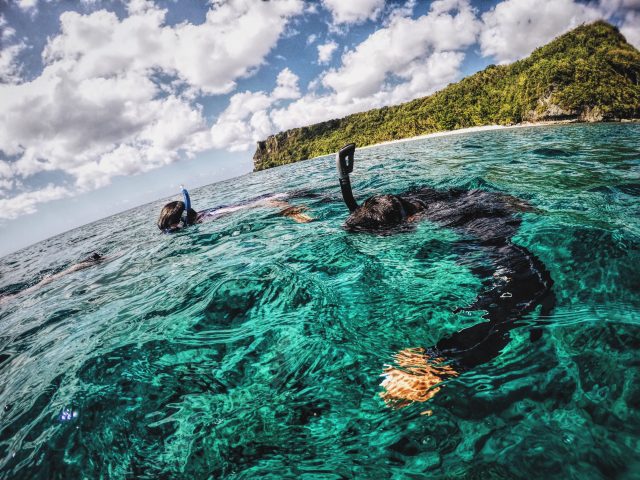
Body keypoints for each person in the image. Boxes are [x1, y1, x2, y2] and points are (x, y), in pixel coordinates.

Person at [335, 143, 555, 409]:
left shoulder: (460, 222)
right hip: (473, 206)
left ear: (410, 224)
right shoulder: (409, 198)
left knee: (509, 291)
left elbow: (525, 286)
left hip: (497, 217)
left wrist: (441, 361)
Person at [157, 186, 313, 232]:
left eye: (172, 227)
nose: (171, 230)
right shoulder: (202, 217)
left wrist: (293, 213)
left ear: (183, 218)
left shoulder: (209, 217)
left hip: (280, 198)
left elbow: (264, 204)